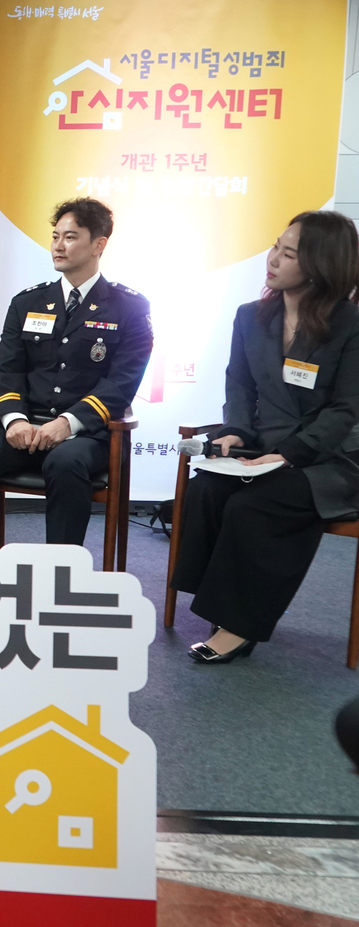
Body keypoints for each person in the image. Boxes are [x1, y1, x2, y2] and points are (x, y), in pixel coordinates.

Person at [171, 211, 359, 663]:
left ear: (318, 265)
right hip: (264, 449)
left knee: (254, 504)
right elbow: (239, 385)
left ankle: (238, 625)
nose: (272, 259)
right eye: (276, 246)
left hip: (329, 460)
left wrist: (288, 455)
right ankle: (223, 604)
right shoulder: (251, 317)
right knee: (206, 490)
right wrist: (235, 432)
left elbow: (346, 409)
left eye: (288, 253)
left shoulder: (350, 323)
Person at [0, 198, 153, 547]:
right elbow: (7, 369)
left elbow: (122, 383)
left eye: (71, 237)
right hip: (26, 426)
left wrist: (67, 424)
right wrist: (14, 420)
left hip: (86, 435)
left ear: (98, 245)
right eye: (55, 236)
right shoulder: (27, 302)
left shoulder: (130, 307)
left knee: (65, 462)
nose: (59, 246)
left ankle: (60, 573)